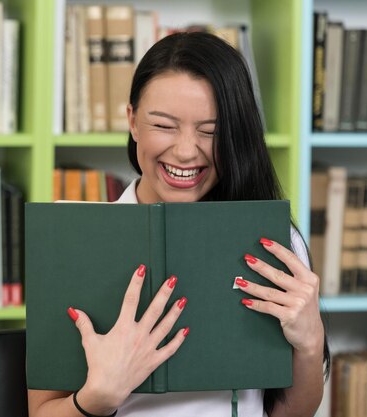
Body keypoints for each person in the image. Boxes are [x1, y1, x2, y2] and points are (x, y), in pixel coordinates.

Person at [28, 31, 329, 417]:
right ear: (133, 122)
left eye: (211, 131)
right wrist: (97, 397)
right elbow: (40, 412)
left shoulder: (275, 243)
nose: (186, 151)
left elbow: (290, 414)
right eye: (165, 126)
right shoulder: (70, 238)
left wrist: (310, 340)